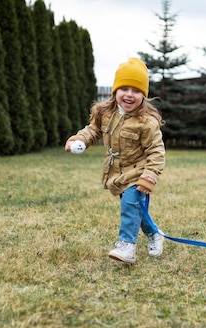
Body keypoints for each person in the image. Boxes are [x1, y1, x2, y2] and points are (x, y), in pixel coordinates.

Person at [64, 57, 165, 264]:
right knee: (135, 209)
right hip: (117, 174)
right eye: (124, 88)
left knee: (129, 205)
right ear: (115, 91)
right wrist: (79, 139)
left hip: (138, 173)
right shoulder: (105, 113)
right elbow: (93, 131)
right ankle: (155, 234)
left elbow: (156, 151)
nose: (129, 94)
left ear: (143, 96)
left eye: (136, 90)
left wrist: (149, 176)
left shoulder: (146, 122)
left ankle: (127, 246)